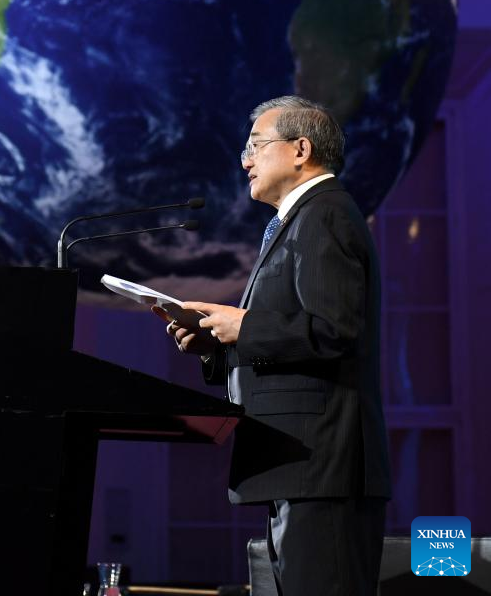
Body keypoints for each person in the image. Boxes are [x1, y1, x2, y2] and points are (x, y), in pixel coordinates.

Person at [157, 96, 391, 596]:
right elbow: (296, 333)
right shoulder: (300, 220)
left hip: (323, 467)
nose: (245, 160)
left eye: (256, 146)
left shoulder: (325, 214)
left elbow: (335, 330)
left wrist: (243, 326)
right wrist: (213, 344)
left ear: (300, 149)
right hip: (300, 467)